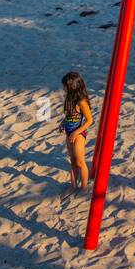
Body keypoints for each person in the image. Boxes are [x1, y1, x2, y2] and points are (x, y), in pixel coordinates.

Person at [58, 71, 93, 200]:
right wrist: (62, 123)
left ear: (72, 86)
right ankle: (73, 185)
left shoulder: (81, 102)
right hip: (69, 132)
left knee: (80, 161)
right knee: (72, 161)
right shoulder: (69, 99)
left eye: (65, 86)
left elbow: (90, 120)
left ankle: (84, 187)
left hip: (78, 133)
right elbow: (69, 115)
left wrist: (76, 132)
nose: (63, 88)